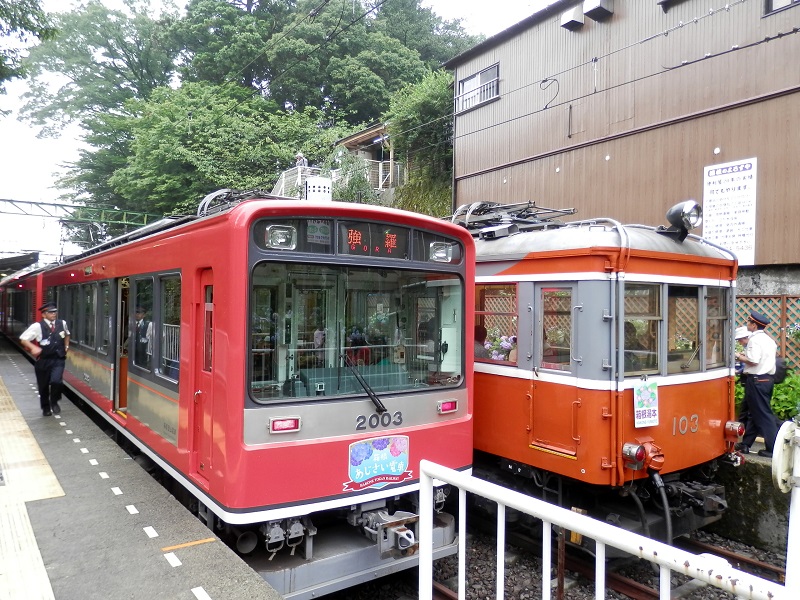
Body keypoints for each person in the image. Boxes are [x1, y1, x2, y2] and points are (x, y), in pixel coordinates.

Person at [735, 311, 779, 457]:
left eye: (749, 322)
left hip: (757, 380)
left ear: (754, 325)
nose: (747, 324)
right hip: (766, 380)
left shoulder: (754, 340)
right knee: (754, 413)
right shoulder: (769, 340)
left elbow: (753, 361)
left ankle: (773, 449)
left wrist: (738, 356)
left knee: (763, 415)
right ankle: (746, 444)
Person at [19, 301, 71, 416]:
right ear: (44, 314)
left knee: (56, 381)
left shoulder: (62, 323)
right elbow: (23, 339)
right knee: (43, 385)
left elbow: (67, 334)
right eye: (51, 312)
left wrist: (66, 346)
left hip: (58, 359)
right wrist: (33, 347)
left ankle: (54, 401)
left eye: (55, 312)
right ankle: (46, 407)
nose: (54, 314)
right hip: (43, 360)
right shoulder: (37, 326)